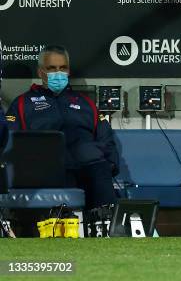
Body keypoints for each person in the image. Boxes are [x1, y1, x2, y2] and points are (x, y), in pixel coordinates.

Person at [5, 45, 118, 210]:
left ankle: (107, 228)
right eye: (52, 68)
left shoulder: (86, 103)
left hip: (89, 167)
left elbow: (106, 138)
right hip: (45, 168)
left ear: (68, 71)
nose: (58, 73)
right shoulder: (22, 104)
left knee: (101, 172)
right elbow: (9, 140)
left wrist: (110, 165)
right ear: (40, 72)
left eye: (62, 68)